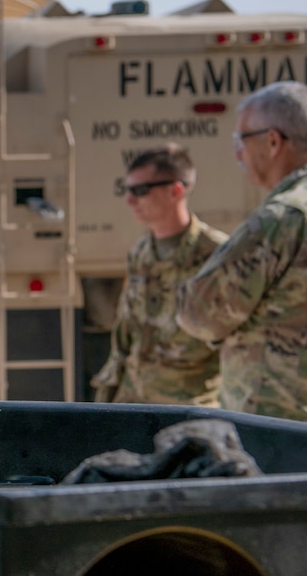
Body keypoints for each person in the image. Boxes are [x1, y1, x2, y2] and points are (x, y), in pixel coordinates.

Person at [177, 80, 307, 421]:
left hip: (279, 425)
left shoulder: (283, 219)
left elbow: (200, 314)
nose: (237, 153)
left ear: (273, 141)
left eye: (241, 141)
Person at [90, 143, 227, 405]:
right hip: (134, 403)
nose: (129, 200)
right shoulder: (141, 253)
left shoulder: (216, 255)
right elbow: (126, 334)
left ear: (175, 191)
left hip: (188, 408)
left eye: (140, 191)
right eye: (127, 190)